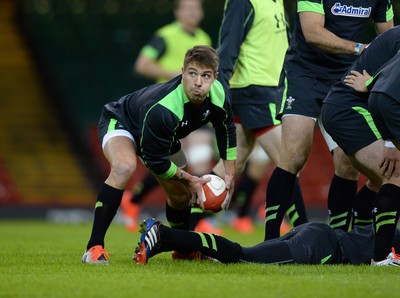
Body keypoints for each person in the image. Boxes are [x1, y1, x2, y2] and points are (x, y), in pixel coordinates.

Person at [81, 45, 236, 265]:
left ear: (215, 77)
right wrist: (191, 179)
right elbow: (155, 160)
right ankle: (94, 248)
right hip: (124, 122)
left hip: (159, 136)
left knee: (181, 194)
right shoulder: (164, 108)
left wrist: (229, 174)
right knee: (124, 167)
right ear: (182, 72)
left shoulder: (219, 95)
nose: (198, 82)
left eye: (205, 75)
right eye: (192, 73)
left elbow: (226, 128)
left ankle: (183, 250)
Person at [265, 0, 394, 240]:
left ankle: (339, 240)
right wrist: (360, 49)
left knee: (348, 163)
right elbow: (313, 32)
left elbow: (389, 39)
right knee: (294, 155)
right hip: (304, 74)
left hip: (347, 76)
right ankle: (270, 239)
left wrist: (373, 78)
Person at [208, 0, 308, 234]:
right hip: (253, 91)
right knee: (289, 160)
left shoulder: (276, 2)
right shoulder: (243, 2)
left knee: (236, 160)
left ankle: (188, 223)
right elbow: (228, 45)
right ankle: (306, 232)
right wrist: (220, 89)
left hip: (271, 90)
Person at [122, 0, 219, 233]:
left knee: (201, 158)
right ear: (178, 12)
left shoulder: (204, 38)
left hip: (195, 106)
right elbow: (142, 64)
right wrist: (176, 75)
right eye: (187, 8)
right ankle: (134, 201)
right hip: (167, 109)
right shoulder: (164, 35)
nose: (193, 12)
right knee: (171, 165)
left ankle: (197, 216)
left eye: (197, 8)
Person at [321, 26, 400, 265]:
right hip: (352, 108)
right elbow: (387, 86)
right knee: (396, 175)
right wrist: (371, 83)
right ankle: (381, 257)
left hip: (350, 107)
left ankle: (361, 242)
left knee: (378, 181)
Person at [133, 217, 400, 266]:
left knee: (243, 254)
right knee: (241, 255)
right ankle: (165, 234)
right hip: (322, 247)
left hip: (318, 233)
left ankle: (169, 242)